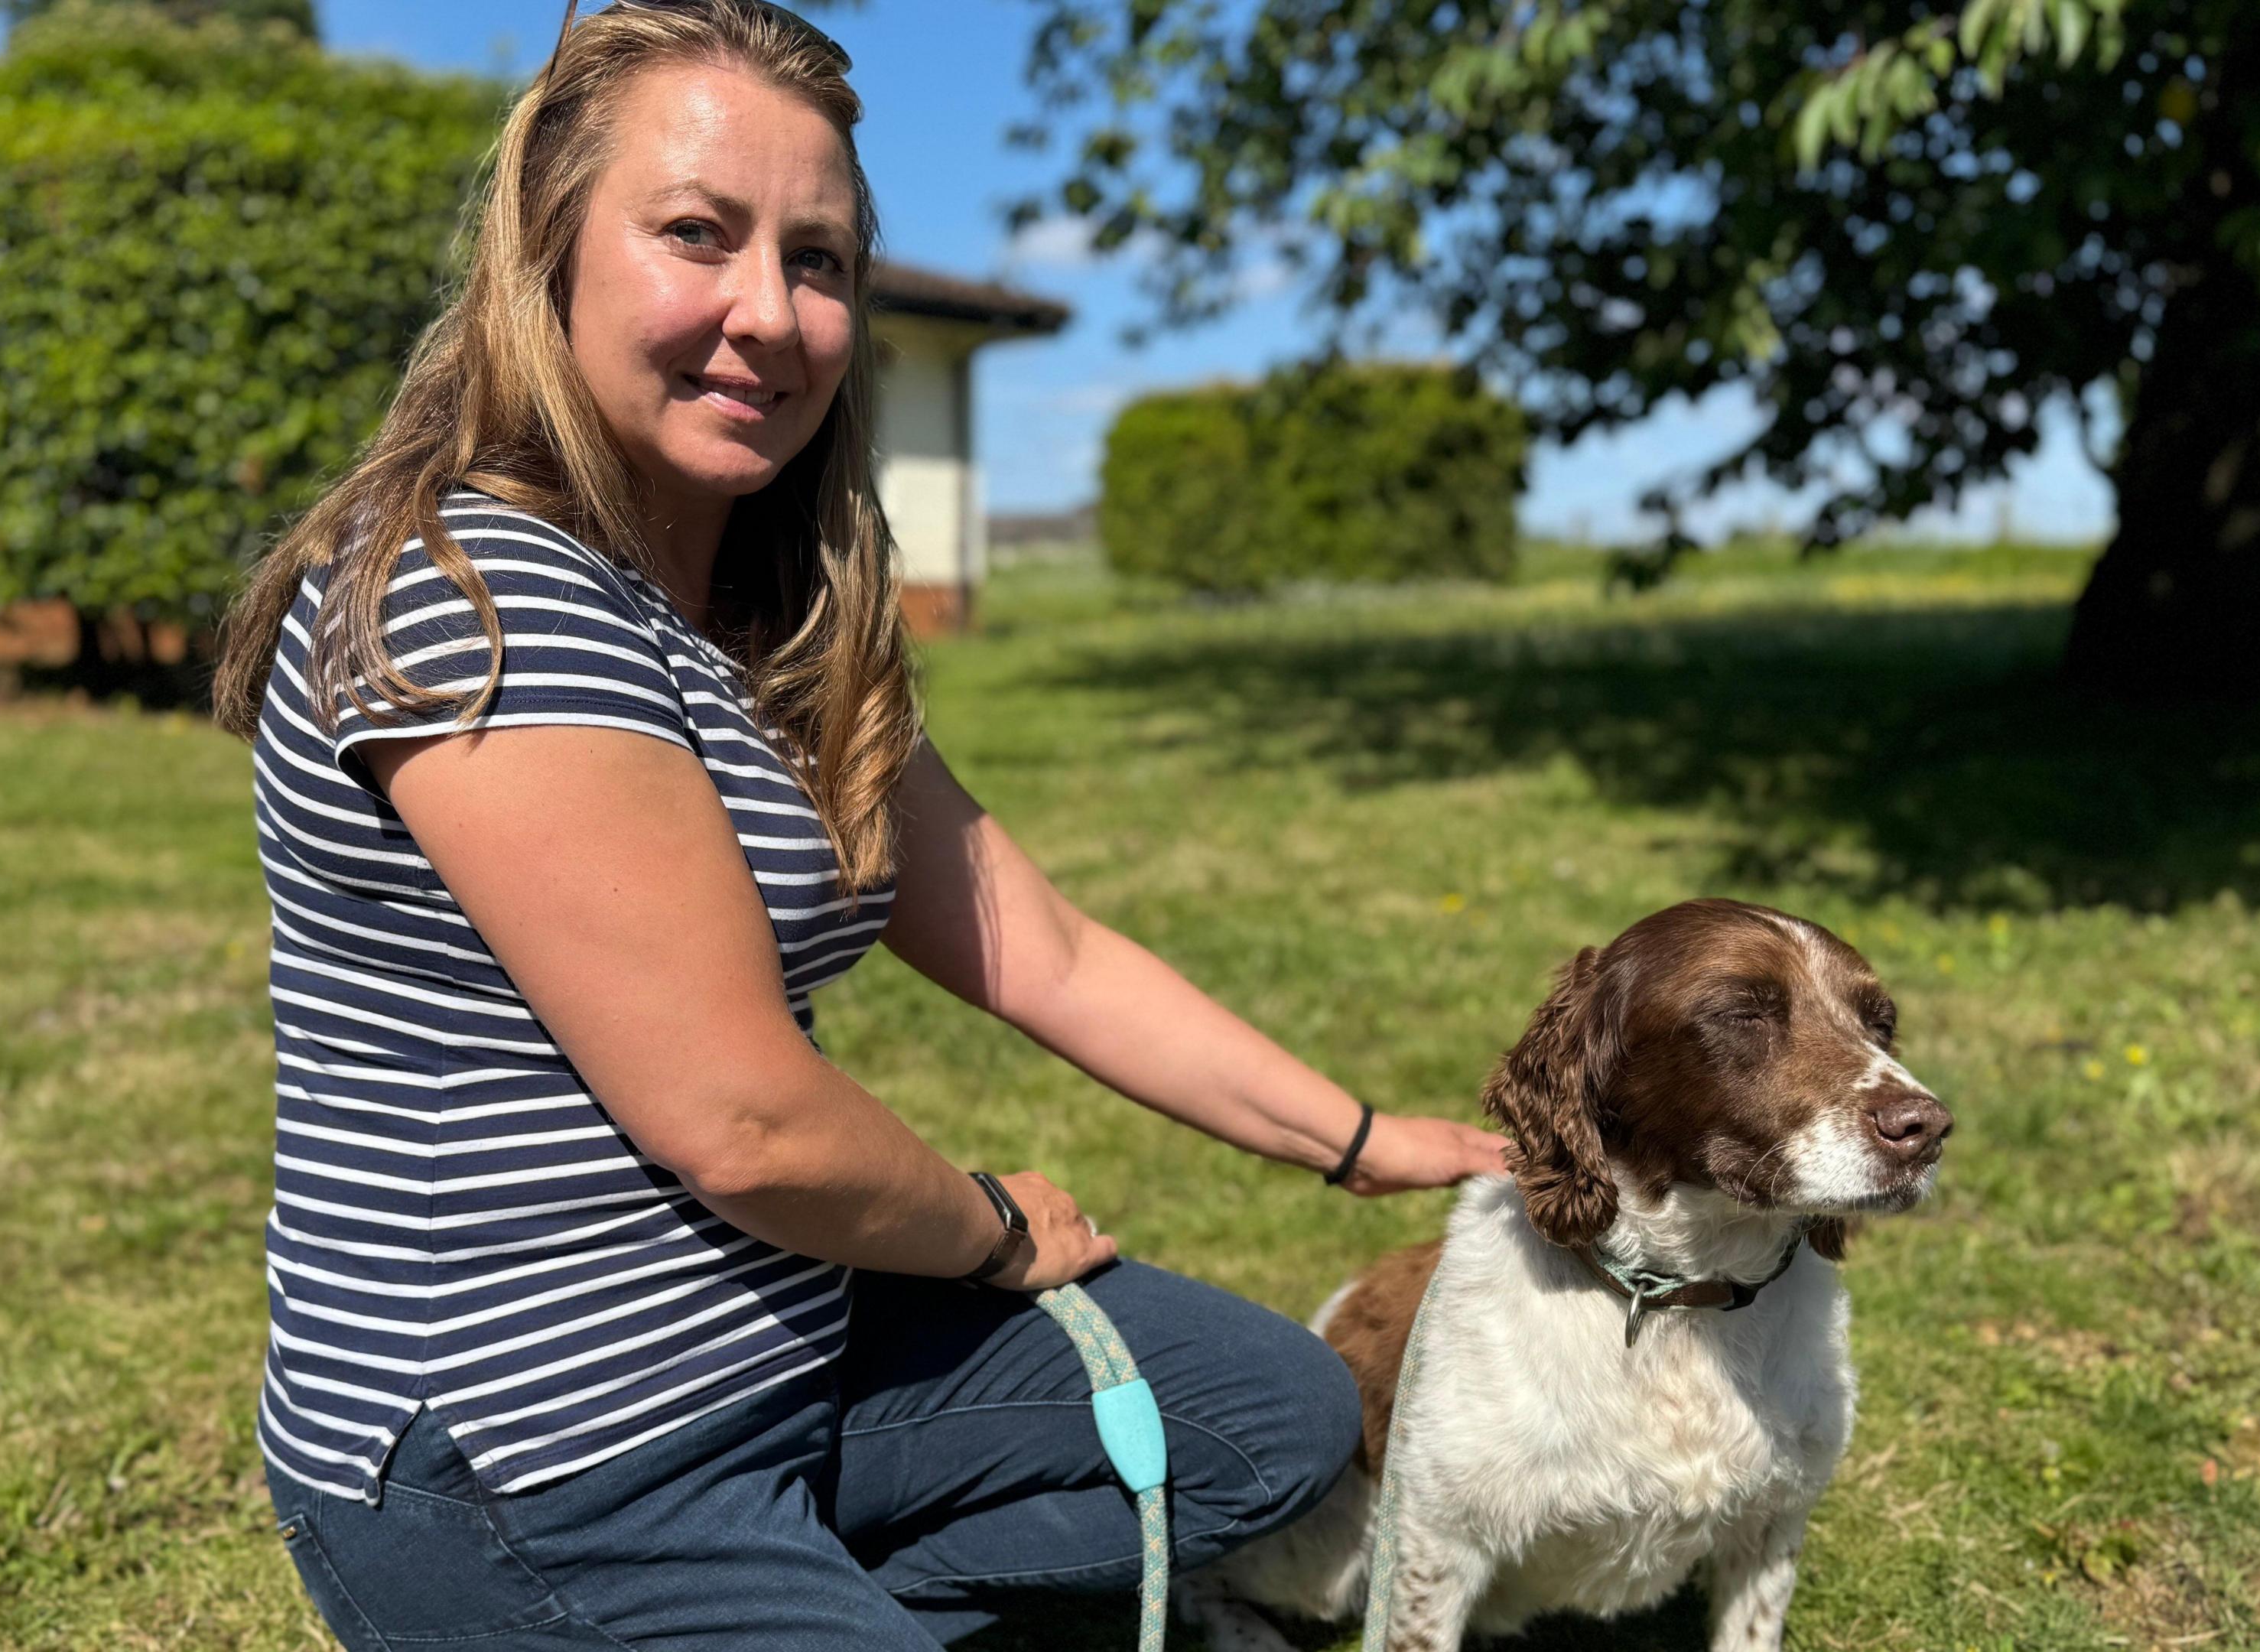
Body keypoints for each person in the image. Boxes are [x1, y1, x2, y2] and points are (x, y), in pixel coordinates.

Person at [208, 3, 1507, 1645]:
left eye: (816, 261)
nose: (769, 313)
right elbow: (743, 1122)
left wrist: (1363, 1139)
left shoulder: (770, 622)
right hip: (533, 1463)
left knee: (1270, 1414)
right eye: (697, 235)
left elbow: (1041, 945)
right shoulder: (480, 584)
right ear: (547, 255)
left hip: (790, 1353)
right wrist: (982, 1228)